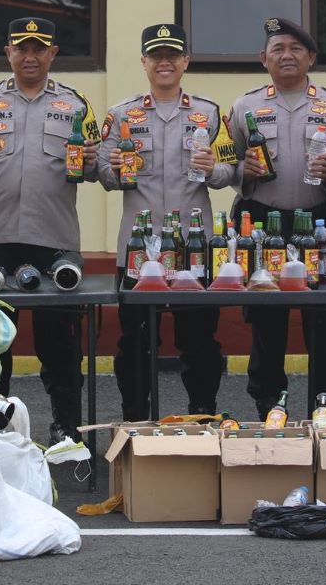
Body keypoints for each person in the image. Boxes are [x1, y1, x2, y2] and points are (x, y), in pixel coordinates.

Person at [0, 17, 100, 444]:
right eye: (22, 48)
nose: (30, 56)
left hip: (54, 239)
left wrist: (90, 161)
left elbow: (94, 165)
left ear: (52, 53)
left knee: (60, 345)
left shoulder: (76, 105)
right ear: (9, 52)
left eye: (39, 49)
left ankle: (66, 427)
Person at [97, 23, 238, 418]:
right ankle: (136, 418)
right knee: (136, 342)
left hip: (193, 247)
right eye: (156, 55)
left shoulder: (208, 113)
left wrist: (213, 169)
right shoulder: (121, 114)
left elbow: (232, 172)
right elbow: (103, 177)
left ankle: (203, 413)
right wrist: (115, 169)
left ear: (185, 61)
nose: (164, 62)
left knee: (200, 341)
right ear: (143, 62)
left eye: (172, 55)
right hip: (140, 249)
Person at [228, 17, 326, 420]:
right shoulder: (245, 106)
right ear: (263, 58)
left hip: (319, 222)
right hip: (264, 225)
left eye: (296, 49)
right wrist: (241, 171)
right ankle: (268, 404)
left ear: (311, 57)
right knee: (267, 318)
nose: (287, 55)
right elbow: (226, 164)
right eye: (278, 49)